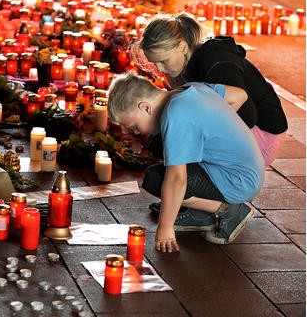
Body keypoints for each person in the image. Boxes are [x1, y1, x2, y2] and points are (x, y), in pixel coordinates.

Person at [107, 71, 264, 252]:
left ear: (145, 107)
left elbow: (176, 180)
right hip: (247, 171)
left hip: (237, 181)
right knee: (168, 166)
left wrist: (165, 229)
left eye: (134, 125)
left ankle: (230, 210)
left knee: (155, 178)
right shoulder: (191, 89)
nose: (135, 132)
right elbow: (238, 95)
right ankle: (202, 213)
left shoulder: (176, 116)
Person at [139, 12, 288, 166]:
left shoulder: (215, 64)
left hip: (262, 136)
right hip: (248, 128)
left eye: (163, 61)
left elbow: (247, 117)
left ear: (182, 47)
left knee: (172, 166)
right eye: (155, 63)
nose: (159, 69)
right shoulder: (191, 61)